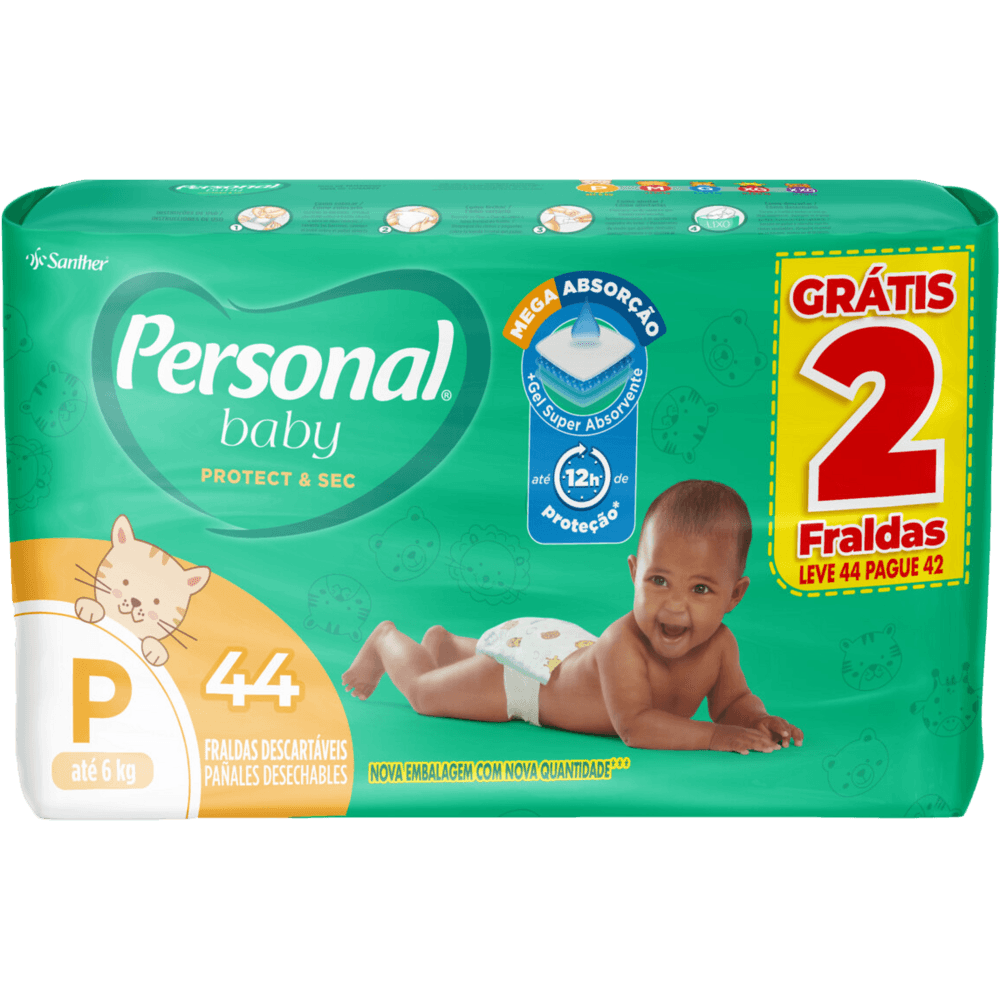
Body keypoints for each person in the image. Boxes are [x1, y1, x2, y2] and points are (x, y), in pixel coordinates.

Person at [342, 480, 804, 754]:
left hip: (563, 650)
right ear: (634, 572)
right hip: (525, 680)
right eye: (659, 580)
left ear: (734, 595)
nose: (674, 605)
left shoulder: (720, 646)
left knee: (457, 673)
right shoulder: (623, 642)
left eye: (700, 589)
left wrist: (755, 719)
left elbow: (731, 701)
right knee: (425, 694)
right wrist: (715, 736)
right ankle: (386, 640)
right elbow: (635, 726)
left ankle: (448, 646)